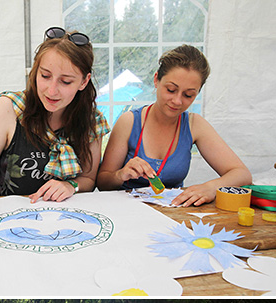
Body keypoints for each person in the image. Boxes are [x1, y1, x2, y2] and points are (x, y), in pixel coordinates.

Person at [0, 30, 108, 224]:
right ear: (35, 71)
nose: (51, 90)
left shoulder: (92, 120)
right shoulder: (9, 108)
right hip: (5, 220)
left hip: (64, 222)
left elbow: (89, 179)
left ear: (84, 81)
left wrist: (71, 186)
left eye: (65, 81)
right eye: (45, 75)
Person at [97, 44, 251, 208]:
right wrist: (121, 174)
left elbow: (242, 175)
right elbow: (103, 183)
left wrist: (210, 187)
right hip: (127, 212)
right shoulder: (129, 122)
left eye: (188, 95)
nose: (177, 101)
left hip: (173, 214)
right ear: (156, 80)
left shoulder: (194, 124)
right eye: (171, 90)